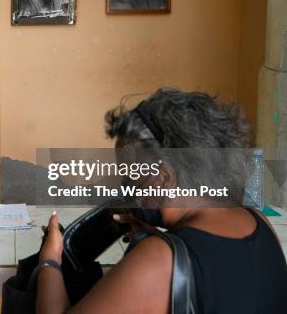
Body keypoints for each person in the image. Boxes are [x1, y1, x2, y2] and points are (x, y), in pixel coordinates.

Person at [36, 88, 286, 313]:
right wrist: (166, 238)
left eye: (131, 179)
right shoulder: (260, 221)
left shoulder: (158, 260)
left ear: (164, 177)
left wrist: (50, 260)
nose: (128, 192)